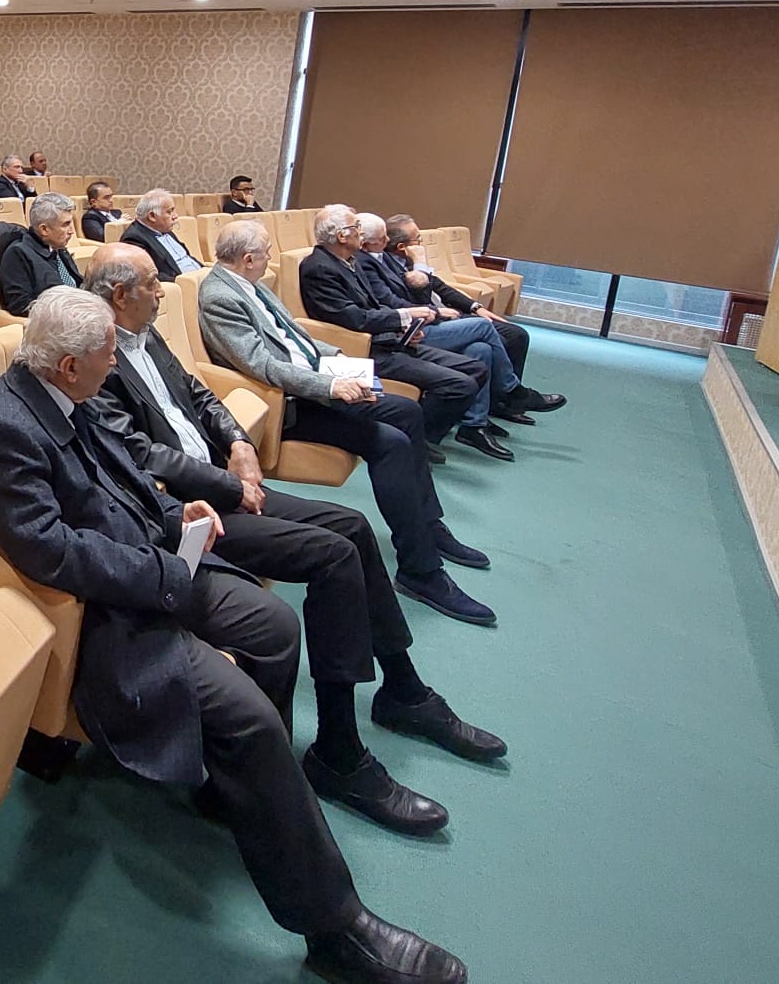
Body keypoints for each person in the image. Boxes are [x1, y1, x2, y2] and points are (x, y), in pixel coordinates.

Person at [0, 288, 468, 984]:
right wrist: (164, 569)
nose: (116, 362)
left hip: (158, 557)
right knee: (249, 718)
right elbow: (52, 553)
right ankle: (335, 928)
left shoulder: (66, 394)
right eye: (107, 354)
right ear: (70, 364)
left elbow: (124, 479)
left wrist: (177, 514)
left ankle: (242, 791)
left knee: (276, 626)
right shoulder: (5, 431)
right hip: (110, 612)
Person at [85, 245, 503, 831]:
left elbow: (198, 394)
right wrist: (227, 484)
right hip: (186, 512)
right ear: (119, 295)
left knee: (353, 527)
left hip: (224, 479)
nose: (164, 291)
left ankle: (403, 691)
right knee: (333, 557)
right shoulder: (95, 353)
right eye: (153, 283)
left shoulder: (144, 334)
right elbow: (136, 451)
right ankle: (339, 752)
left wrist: (239, 441)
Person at [199, 220, 496, 627]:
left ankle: (427, 526)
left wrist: (339, 358)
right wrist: (331, 384)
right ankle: (421, 569)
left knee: (406, 412)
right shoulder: (219, 296)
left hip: (315, 382)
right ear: (248, 259)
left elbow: (294, 336)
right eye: (266, 253)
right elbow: (261, 365)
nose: (271, 259)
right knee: (389, 442)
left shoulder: (250, 284)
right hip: (290, 405)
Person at [298, 206, 486, 458]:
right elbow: (354, 319)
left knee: (476, 369)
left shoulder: (350, 261)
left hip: (391, 340)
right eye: (356, 227)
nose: (361, 233)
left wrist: (404, 328)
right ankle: (417, 440)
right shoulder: (319, 268)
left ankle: (420, 437)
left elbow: (376, 305)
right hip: (367, 349)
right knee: (460, 385)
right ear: (342, 236)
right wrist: (404, 317)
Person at [372, 215, 563, 424]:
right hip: (424, 325)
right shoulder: (386, 264)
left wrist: (476, 306)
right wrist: (421, 269)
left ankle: (476, 423)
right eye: (418, 239)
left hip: (441, 316)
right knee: (486, 329)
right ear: (402, 246)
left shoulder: (402, 260)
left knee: (488, 346)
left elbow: (440, 286)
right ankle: (511, 392)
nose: (421, 244)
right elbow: (417, 299)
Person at [0, 193, 82, 314]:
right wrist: (67, 312)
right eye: (66, 225)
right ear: (44, 229)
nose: (72, 231)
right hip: (58, 319)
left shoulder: (58, 247)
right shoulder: (18, 254)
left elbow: (76, 284)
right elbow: (21, 305)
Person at [121, 188, 203, 274]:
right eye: (169, 212)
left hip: (198, 275)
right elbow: (149, 275)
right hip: (181, 280)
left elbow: (186, 258)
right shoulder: (134, 239)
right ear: (152, 216)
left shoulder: (163, 228)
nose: (175, 216)